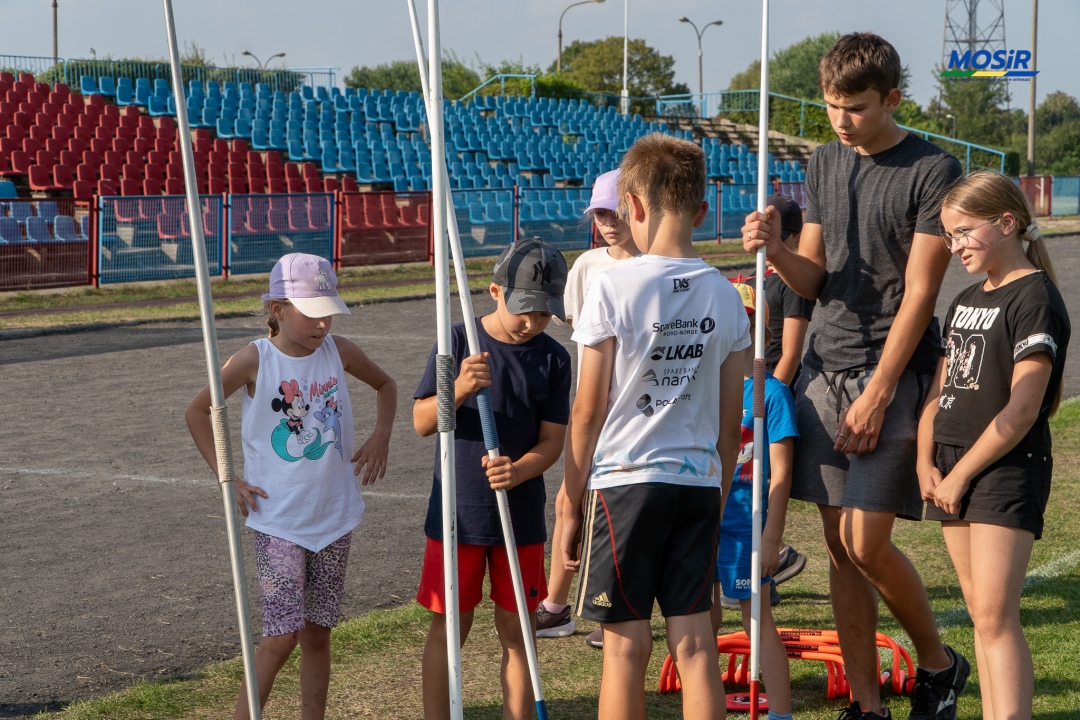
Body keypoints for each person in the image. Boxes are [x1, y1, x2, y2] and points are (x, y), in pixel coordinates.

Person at [742, 32, 969, 720]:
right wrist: (777, 251)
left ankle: (938, 664)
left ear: (893, 98)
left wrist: (877, 393)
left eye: (859, 108)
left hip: (891, 374)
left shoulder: (934, 168)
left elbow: (922, 294)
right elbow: (813, 279)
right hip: (822, 372)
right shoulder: (822, 164)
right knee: (841, 552)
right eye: (833, 106)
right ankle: (867, 708)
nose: (844, 121)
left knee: (867, 540)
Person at [562, 132, 749, 720]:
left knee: (623, 645)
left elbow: (587, 409)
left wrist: (569, 500)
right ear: (700, 210)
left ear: (633, 207)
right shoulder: (726, 295)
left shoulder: (613, 284)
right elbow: (729, 419)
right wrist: (716, 496)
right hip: (696, 483)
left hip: (625, 483)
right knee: (694, 644)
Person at [185, 253, 397, 720]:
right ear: (278, 309)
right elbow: (197, 412)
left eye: (328, 313)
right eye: (311, 313)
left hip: (335, 516)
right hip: (280, 520)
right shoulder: (252, 361)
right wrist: (229, 477)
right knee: (281, 636)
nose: (322, 324)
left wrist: (380, 434)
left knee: (319, 632)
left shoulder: (340, 352)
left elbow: (386, 385)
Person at [917, 172, 1069, 720]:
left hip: (1006, 466)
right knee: (980, 614)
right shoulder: (962, 299)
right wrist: (925, 462)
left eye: (964, 232)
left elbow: (1024, 408)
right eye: (949, 236)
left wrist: (960, 477)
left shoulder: (1035, 297)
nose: (955, 246)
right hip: (951, 463)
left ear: (1006, 223)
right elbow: (939, 392)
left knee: (996, 617)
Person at [413, 237, 572, 720]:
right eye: (525, 310)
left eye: (544, 314)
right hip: (458, 515)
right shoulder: (458, 341)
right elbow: (422, 421)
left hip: (519, 520)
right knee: (449, 628)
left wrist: (518, 469)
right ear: (495, 291)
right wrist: (460, 386)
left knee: (519, 631)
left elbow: (551, 443)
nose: (532, 323)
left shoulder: (554, 359)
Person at [535, 169, 639, 646]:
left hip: (637, 410)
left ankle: (611, 608)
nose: (608, 222)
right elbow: (578, 330)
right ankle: (557, 606)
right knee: (568, 501)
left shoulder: (654, 266)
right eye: (600, 213)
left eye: (616, 212)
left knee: (619, 508)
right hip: (590, 403)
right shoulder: (586, 266)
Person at [711, 282, 798, 720]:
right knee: (699, 619)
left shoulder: (769, 392)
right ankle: (703, 704)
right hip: (705, 515)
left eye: (745, 321)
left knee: (756, 623)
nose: (737, 329)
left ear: (757, 325)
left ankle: (780, 713)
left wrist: (771, 535)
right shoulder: (706, 383)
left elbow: (781, 473)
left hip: (748, 523)